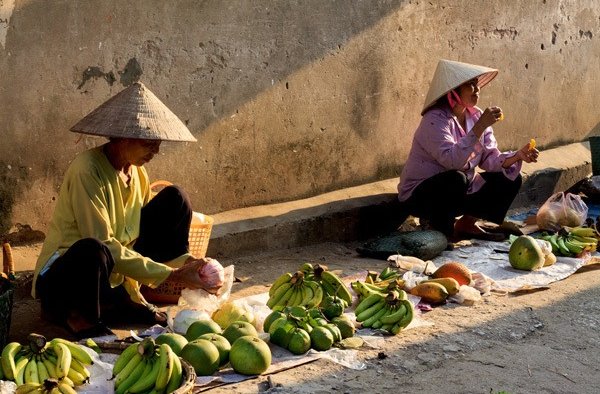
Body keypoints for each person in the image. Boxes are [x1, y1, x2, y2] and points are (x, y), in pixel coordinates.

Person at [31, 82, 225, 339]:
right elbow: (107, 245)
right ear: (122, 138)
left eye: (158, 143)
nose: (155, 151)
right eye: (148, 143)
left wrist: (191, 265)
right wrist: (171, 275)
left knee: (175, 199)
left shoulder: (138, 173)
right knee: (94, 249)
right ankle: (78, 318)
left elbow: (138, 237)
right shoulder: (86, 170)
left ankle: (119, 301)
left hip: (113, 275)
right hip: (70, 277)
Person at [397, 59, 539, 241]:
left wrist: (517, 156)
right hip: (422, 195)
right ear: (453, 92)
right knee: (457, 178)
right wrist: (479, 128)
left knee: (510, 178)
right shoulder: (434, 120)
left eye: (477, 84)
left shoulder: (477, 116)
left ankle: (467, 224)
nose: (477, 89)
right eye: (470, 85)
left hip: (459, 189)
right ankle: (441, 231)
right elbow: (453, 161)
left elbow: (489, 159)